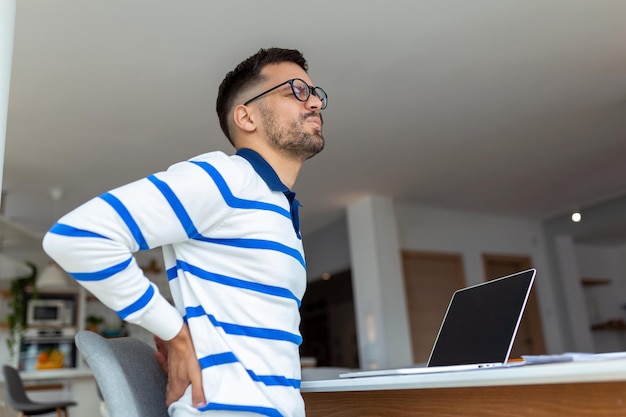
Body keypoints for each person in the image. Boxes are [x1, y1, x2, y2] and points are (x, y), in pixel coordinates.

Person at [42, 47, 327, 417]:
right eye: (296, 92)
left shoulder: (276, 204)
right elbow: (77, 237)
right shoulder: (225, 178)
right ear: (246, 116)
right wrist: (174, 332)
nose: (316, 103)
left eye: (315, 93)